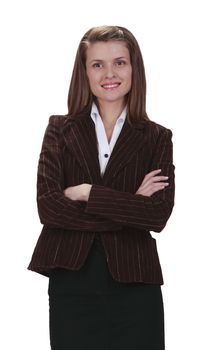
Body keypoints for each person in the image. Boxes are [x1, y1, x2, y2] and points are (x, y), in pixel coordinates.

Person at [28, 25, 175, 350]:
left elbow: (158, 214)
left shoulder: (156, 138)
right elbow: (49, 207)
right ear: (85, 72)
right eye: (98, 64)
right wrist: (128, 204)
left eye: (120, 62)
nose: (110, 73)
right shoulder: (59, 130)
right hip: (72, 280)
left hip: (136, 282)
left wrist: (88, 194)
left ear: (134, 67)